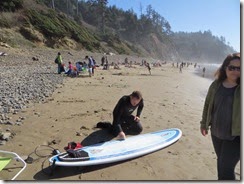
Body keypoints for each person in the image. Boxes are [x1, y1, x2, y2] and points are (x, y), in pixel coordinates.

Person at [200, 52, 240, 180]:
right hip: (216, 133)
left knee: (225, 168)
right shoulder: (216, 85)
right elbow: (207, 105)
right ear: (225, 67)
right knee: (221, 165)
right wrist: (203, 123)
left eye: (239, 68)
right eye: (231, 67)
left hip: (236, 136)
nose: (235, 71)